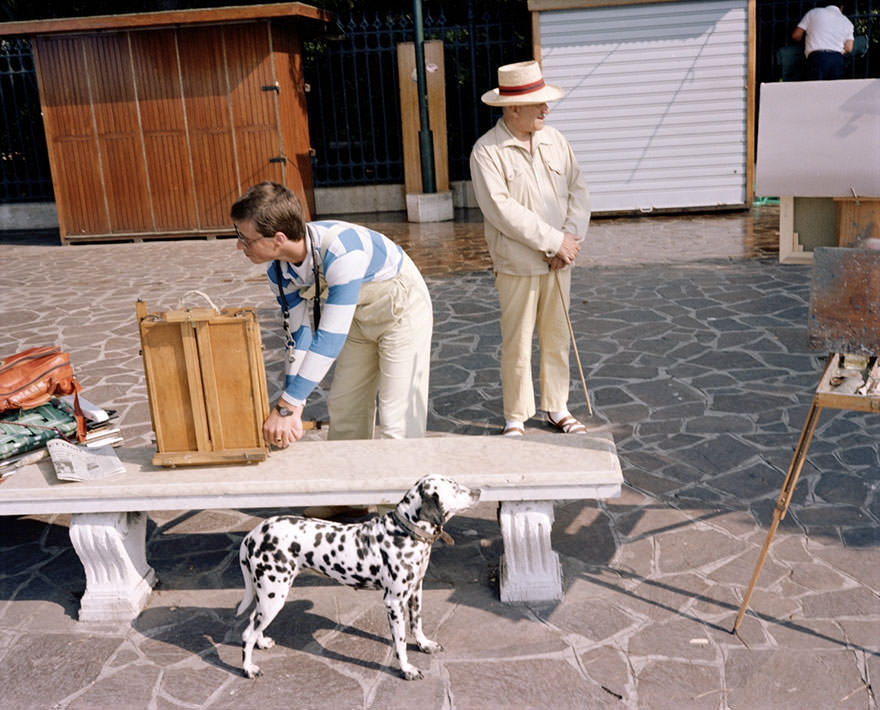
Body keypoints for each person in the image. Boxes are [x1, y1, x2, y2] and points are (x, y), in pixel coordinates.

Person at [231, 181, 433, 448]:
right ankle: (351, 482)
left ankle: (404, 485)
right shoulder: (279, 273)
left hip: (402, 311)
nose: (239, 245)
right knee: (345, 406)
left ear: (278, 239)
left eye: (246, 238)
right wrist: (294, 404)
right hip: (358, 317)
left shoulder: (342, 251)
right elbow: (299, 337)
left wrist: (286, 407)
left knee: (398, 418)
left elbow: (329, 338)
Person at [469, 60, 591, 437]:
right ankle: (516, 416)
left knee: (557, 337)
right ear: (512, 107)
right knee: (518, 340)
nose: (546, 109)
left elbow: (579, 192)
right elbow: (502, 211)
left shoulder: (557, 141)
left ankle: (557, 407)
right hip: (517, 264)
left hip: (560, 262)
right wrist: (553, 241)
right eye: (537, 103)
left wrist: (568, 242)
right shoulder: (486, 152)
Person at [792, 4, 854, 80]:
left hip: (817, 58)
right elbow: (849, 48)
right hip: (837, 60)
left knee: (815, 89)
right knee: (835, 90)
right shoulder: (847, 21)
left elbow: (796, 35)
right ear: (841, 7)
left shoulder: (813, 13)